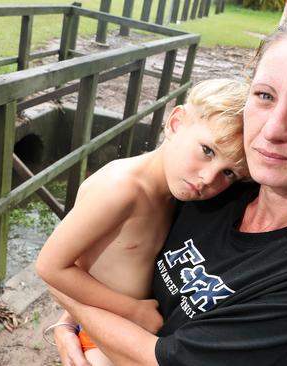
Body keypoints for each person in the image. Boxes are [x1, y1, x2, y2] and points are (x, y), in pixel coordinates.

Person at [49, 11, 287, 366]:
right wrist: (68, 323)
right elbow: (118, 255)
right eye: (265, 96)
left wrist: (65, 293)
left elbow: (161, 360)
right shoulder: (220, 184)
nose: (273, 129)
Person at [36, 79, 250, 365]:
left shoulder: (175, 194)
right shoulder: (121, 190)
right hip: (102, 338)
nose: (208, 178)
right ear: (175, 123)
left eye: (229, 173)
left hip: (122, 333)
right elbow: (50, 265)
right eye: (207, 151)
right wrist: (133, 310)